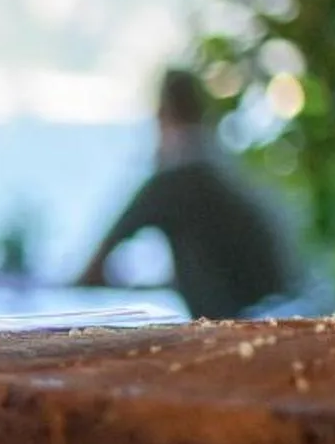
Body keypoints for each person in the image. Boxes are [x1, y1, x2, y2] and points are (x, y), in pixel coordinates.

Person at [72, 69, 302, 318]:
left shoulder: (174, 181)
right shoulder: (226, 170)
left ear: (162, 115)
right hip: (275, 319)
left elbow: (91, 271)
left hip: (227, 335)